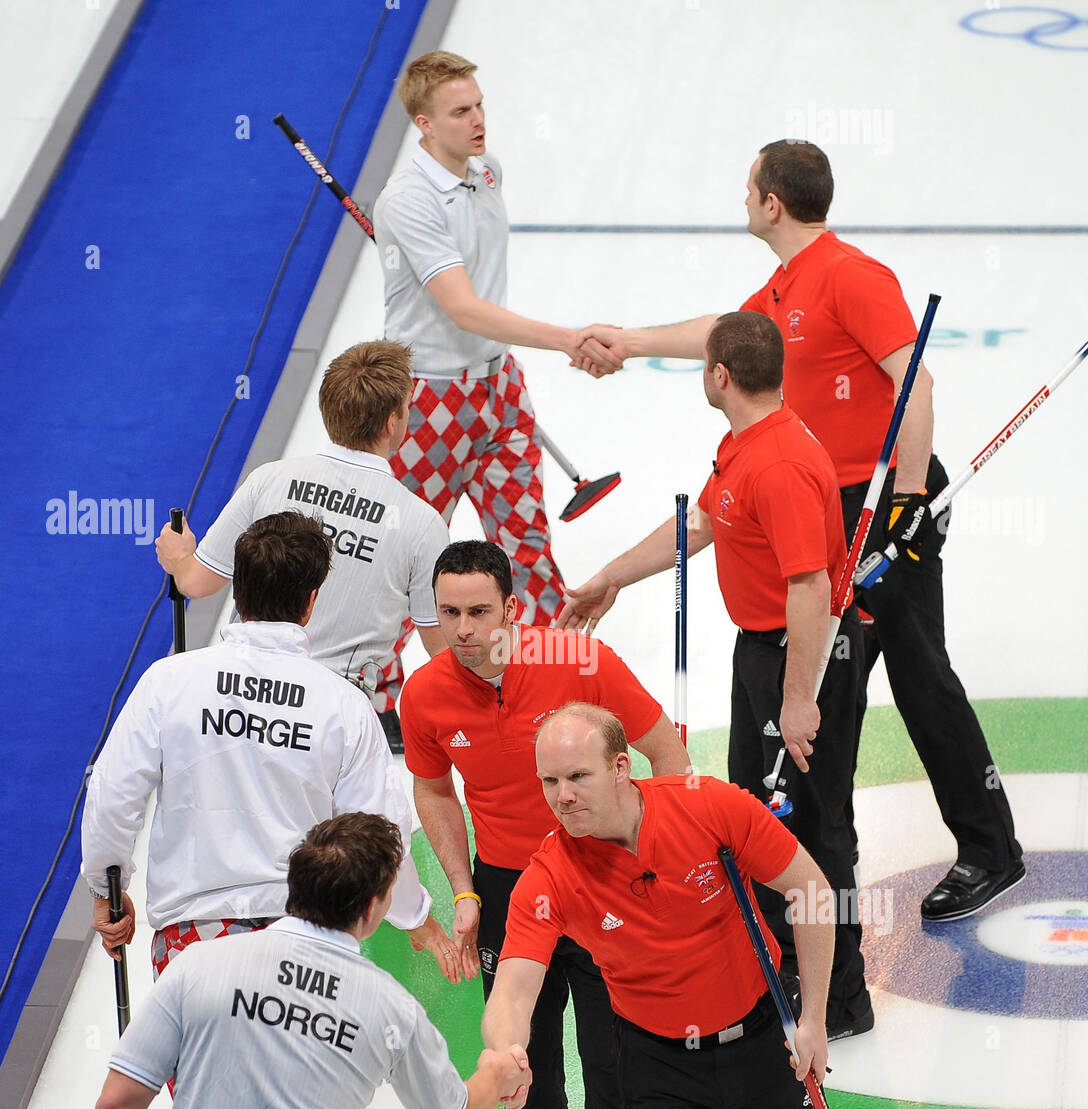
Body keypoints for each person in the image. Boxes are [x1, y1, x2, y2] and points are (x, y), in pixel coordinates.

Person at [573, 139, 1024, 923]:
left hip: (880, 512)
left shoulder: (850, 275)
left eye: (748, 188)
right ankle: (807, 879)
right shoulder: (787, 285)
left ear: (771, 203)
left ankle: (983, 852)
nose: (743, 199)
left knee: (914, 681)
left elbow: (912, 374)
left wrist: (908, 496)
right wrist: (634, 341)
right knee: (839, 695)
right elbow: (725, 329)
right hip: (827, 504)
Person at [483, 704, 863, 1109]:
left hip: (764, 1041)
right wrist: (505, 1049)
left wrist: (813, 1017)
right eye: (549, 782)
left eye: (577, 777)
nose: (563, 797)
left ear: (619, 766)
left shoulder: (707, 806)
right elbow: (513, 986)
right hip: (657, 1068)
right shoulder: (549, 875)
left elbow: (810, 889)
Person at [561, 312, 871, 1038]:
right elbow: (701, 526)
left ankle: (843, 996)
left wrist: (798, 700)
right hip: (763, 652)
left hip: (803, 657)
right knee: (758, 815)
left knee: (816, 828)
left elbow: (810, 591)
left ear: (720, 376)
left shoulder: (782, 463)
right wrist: (613, 577)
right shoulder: (745, 443)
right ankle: (779, 964)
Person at [399, 540, 689, 1109]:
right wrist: (462, 890)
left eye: (477, 612)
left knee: (613, 1068)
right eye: (447, 612)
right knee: (517, 1063)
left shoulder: (580, 662)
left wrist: (648, 864)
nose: (460, 629)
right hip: (505, 890)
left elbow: (665, 753)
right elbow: (434, 792)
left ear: (513, 611)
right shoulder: (425, 694)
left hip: (598, 888)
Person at [81, 812, 530, 1109]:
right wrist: (496, 1071)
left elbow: (116, 1107)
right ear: (375, 907)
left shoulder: (197, 966)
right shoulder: (390, 1007)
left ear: (292, 886)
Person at [83, 511, 459, 982]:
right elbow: (382, 832)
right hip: (309, 947)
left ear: (237, 591)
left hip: (191, 948)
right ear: (311, 601)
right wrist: (415, 916)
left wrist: (107, 888)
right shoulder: (343, 705)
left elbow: (112, 795)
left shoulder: (168, 682)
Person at [369, 50, 621, 741]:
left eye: (479, 105)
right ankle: (382, 694)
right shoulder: (408, 201)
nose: (478, 120)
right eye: (460, 111)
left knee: (527, 546)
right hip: (427, 400)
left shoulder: (486, 172)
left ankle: (547, 680)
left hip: (498, 388)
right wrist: (569, 340)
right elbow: (465, 310)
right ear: (423, 123)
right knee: (413, 552)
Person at [154, 339, 451, 752]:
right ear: (392, 423)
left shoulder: (269, 479)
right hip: (334, 719)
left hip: (240, 707)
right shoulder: (422, 524)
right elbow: (442, 649)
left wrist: (179, 555)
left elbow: (197, 584)